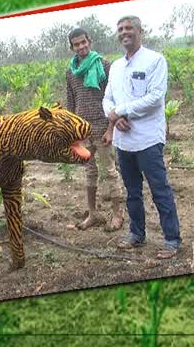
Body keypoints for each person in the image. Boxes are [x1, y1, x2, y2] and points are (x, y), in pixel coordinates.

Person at [102, 15, 181, 259]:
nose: (124, 32)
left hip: (147, 139)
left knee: (160, 189)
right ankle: (137, 234)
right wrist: (114, 116)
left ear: (139, 31)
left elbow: (155, 98)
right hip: (124, 141)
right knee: (132, 190)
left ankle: (171, 239)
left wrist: (121, 111)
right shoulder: (115, 66)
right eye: (120, 29)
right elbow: (108, 99)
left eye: (129, 28)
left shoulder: (155, 60)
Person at [65, 27, 124, 231]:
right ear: (71, 47)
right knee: (89, 172)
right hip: (83, 132)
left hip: (103, 128)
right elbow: (71, 104)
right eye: (76, 44)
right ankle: (92, 214)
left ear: (90, 40)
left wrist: (111, 128)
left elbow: (114, 99)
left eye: (83, 42)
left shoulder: (104, 66)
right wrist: (73, 134)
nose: (81, 47)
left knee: (110, 171)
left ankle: (117, 214)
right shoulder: (71, 72)